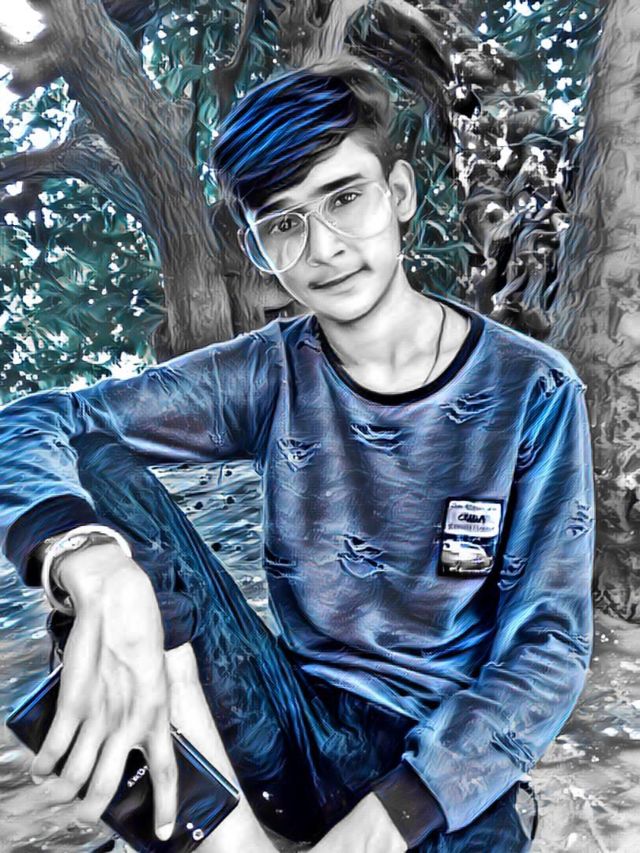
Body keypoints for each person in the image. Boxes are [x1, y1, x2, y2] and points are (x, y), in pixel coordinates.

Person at [0, 59, 595, 852]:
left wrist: (384, 823)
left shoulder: (533, 389)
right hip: (285, 728)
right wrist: (89, 559)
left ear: (400, 193)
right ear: (259, 247)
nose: (323, 249)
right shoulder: (268, 371)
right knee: (91, 473)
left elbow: (548, 645)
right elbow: (30, 423)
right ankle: (224, 831)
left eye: (344, 198)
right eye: (284, 222)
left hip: (435, 758)